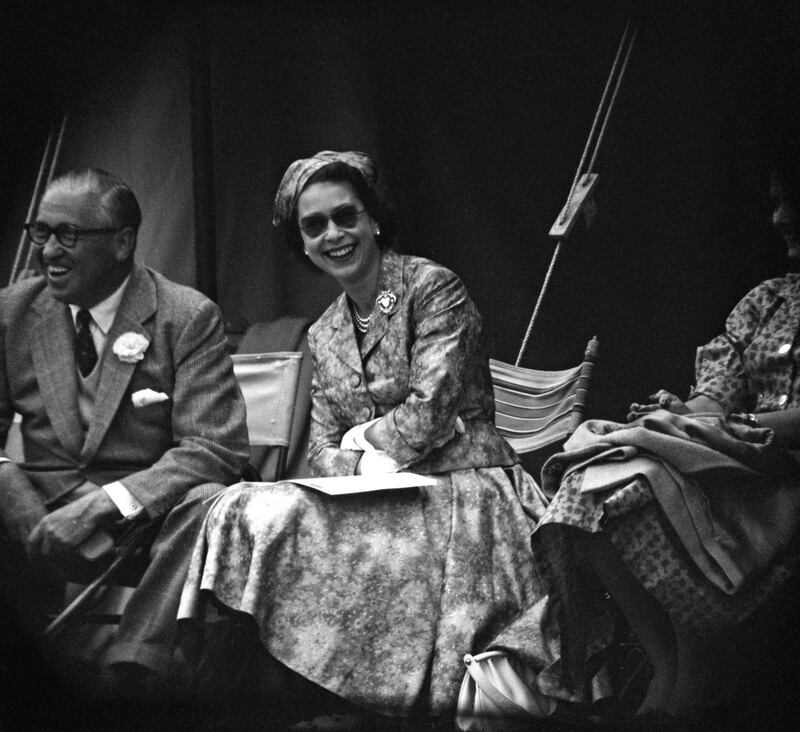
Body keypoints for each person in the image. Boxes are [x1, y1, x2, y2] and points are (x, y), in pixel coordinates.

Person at [178, 150, 547, 723]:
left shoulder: (431, 289)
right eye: (314, 225)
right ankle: (268, 695)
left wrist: (366, 433)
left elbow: (431, 409)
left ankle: (366, 703)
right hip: (373, 492)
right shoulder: (324, 332)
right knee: (239, 511)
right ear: (301, 243)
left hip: (468, 491)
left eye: (345, 216)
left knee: (341, 544)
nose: (333, 234)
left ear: (373, 219)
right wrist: (363, 464)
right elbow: (322, 448)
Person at [485, 136, 800, 722]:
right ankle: (669, 663)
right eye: (778, 201)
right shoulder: (767, 301)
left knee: (651, 487)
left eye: (794, 202)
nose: (780, 218)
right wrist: (692, 417)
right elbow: (718, 384)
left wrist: (732, 427)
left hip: (779, 475)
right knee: (593, 485)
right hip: (728, 455)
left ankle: (696, 676)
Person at [0, 168, 250, 701]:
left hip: (144, 523)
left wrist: (103, 506)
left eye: (68, 234)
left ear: (122, 242)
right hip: (38, 513)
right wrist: (14, 494)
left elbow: (215, 447)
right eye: (40, 233)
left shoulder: (185, 315)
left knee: (210, 501)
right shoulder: (12, 312)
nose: (48, 252)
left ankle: (132, 673)